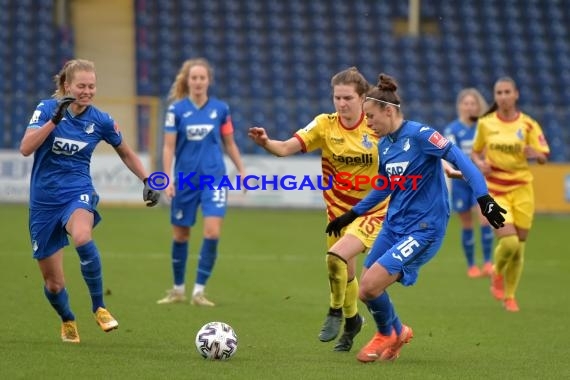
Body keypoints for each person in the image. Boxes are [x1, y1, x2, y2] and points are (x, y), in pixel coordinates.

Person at [325, 73, 506, 362]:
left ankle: (386, 334)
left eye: (370, 117)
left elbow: (462, 161)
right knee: (368, 287)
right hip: (394, 225)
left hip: (424, 229)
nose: (367, 123)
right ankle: (398, 331)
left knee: (370, 285)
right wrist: (351, 214)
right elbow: (383, 186)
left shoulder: (421, 135)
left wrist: (484, 200)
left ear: (389, 110)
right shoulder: (384, 145)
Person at [19, 59, 160, 343]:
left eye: (92, 86)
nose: (87, 91)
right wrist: (54, 121)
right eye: (81, 86)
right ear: (67, 85)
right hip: (44, 201)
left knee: (83, 236)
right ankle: (68, 319)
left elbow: (126, 152)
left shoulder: (101, 120)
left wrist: (148, 180)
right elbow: (25, 148)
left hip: (77, 191)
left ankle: (100, 307)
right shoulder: (47, 109)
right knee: (54, 284)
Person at [248, 67, 389, 352]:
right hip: (337, 213)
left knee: (338, 258)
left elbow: (408, 151)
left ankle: (336, 310)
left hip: (372, 211)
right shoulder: (325, 125)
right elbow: (286, 147)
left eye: (347, 97)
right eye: (337, 97)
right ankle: (352, 322)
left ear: (363, 98)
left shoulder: (375, 126)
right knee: (338, 267)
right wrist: (266, 143)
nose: (341, 103)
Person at [157, 58, 246, 307]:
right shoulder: (175, 110)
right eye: (193, 78)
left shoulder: (221, 109)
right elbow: (167, 147)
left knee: (212, 232)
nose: (197, 82)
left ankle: (198, 291)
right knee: (181, 235)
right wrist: (166, 179)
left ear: (209, 80)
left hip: (214, 179)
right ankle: (177, 289)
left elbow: (229, 143)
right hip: (185, 180)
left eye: (202, 78)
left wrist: (241, 170)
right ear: (187, 81)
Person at [471, 76, 550, 312]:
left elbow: (544, 155)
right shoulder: (486, 123)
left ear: (516, 94)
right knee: (510, 241)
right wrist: (480, 163)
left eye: (507, 92)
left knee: (519, 247)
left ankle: (510, 296)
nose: (503, 97)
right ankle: (496, 272)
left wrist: (534, 153)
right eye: (499, 93)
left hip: (522, 189)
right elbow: (475, 153)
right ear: (495, 97)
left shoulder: (528, 124)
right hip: (496, 189)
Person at [443, 88, 494, 278]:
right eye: (466, 103)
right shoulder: (452, 130)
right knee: (466, 224)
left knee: (484, 217)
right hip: (460, 181)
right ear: (460, 106)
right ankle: (472, 265)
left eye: (473, 103)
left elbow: (489, 150)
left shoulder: (484, 127)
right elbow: (451, 156)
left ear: (478, 106)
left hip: (479, 180)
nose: (469, 107)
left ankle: (488, 262)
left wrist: (486, 163)